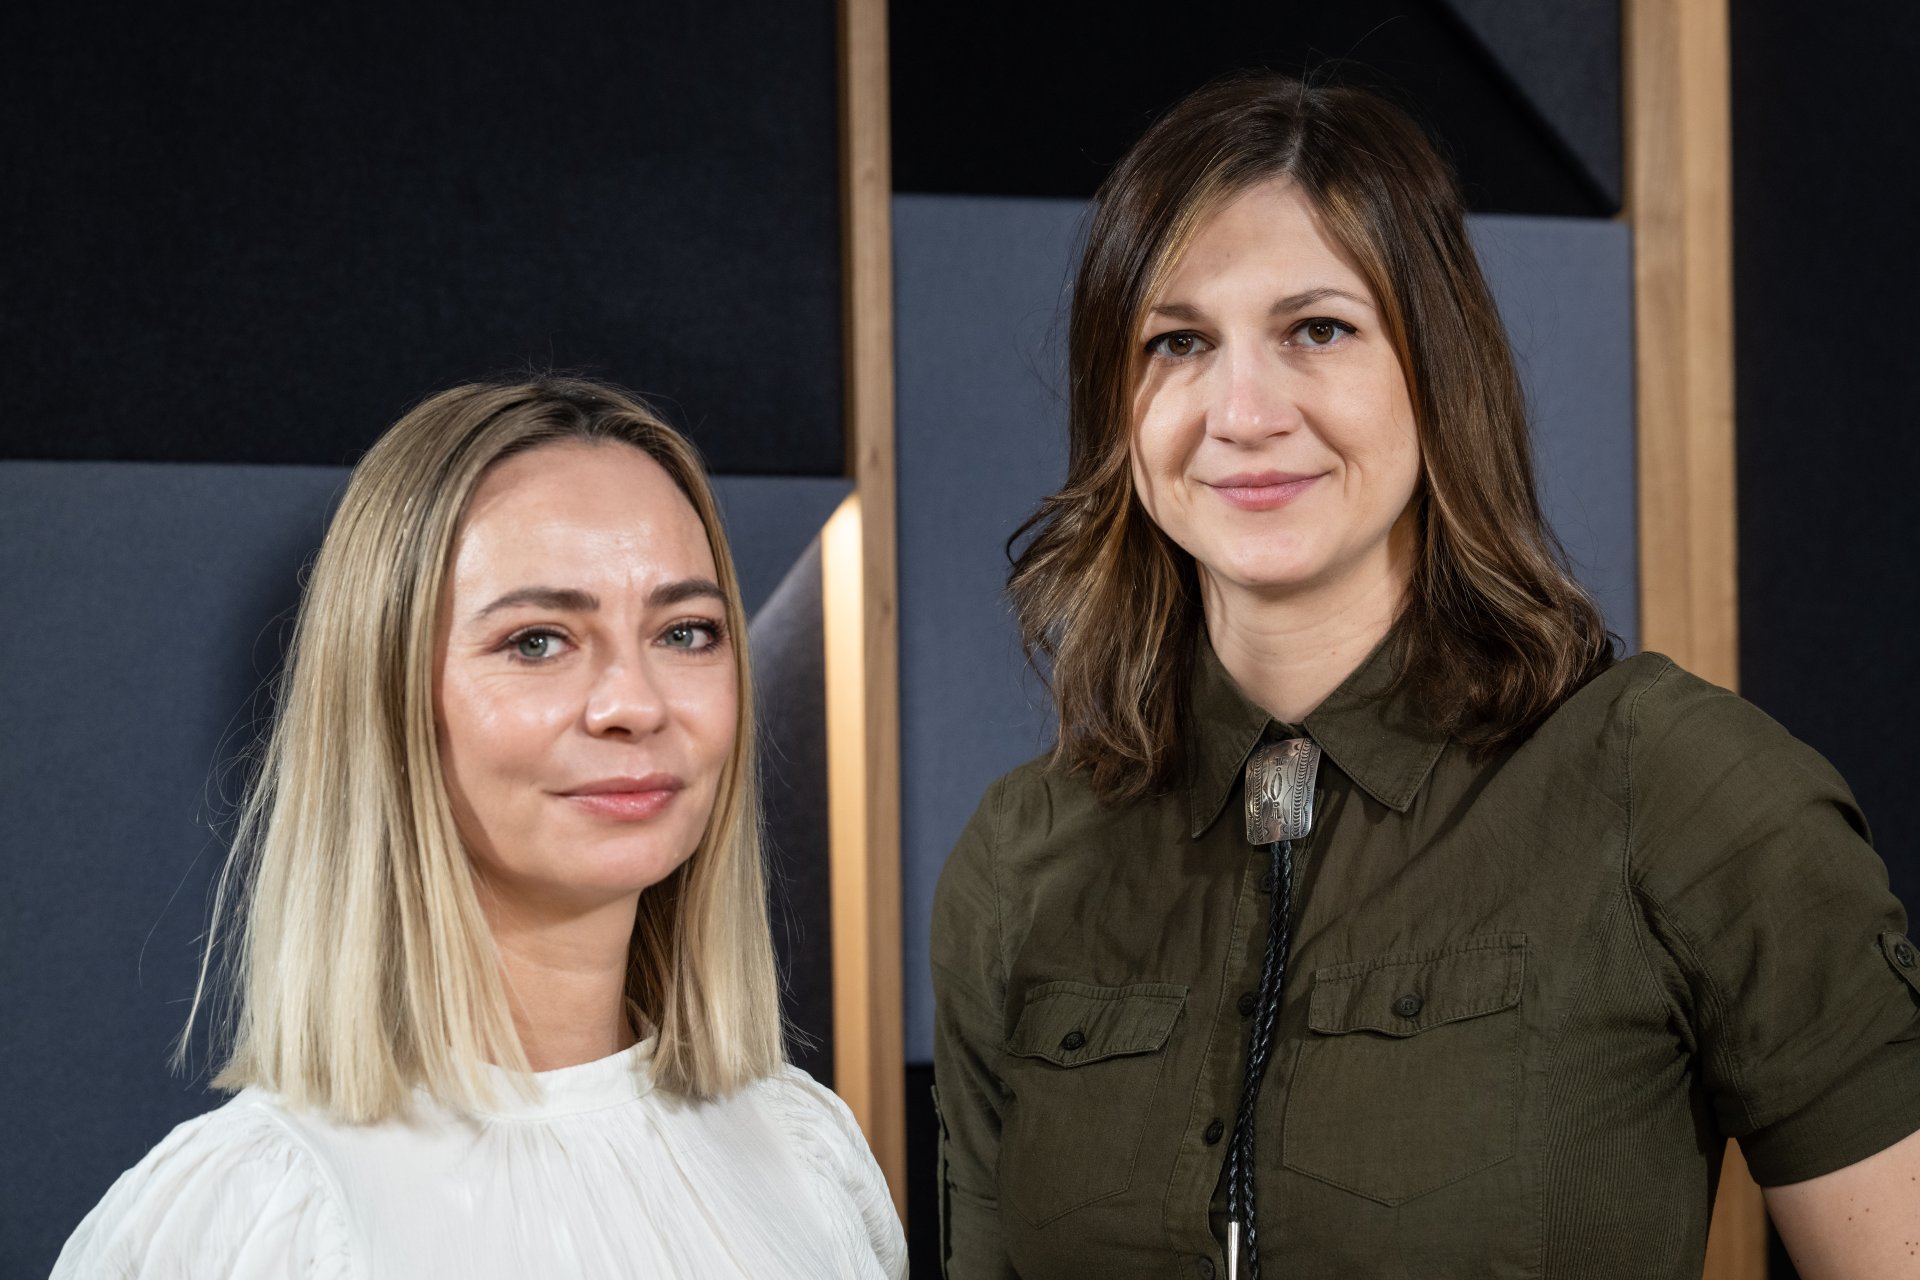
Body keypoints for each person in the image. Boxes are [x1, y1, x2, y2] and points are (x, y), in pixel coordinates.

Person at [930, 73, 1920, 1280]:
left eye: (1317, 328)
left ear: (1437, 366)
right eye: (1177, 342)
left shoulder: (1679, 790)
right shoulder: (1016, 865)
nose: (1242, 411)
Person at [55, 379, 907, 1278]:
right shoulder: (257, 1213)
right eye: (538, 641)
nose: (634, 703)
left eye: (686, 632)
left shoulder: (805, 1149)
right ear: (388, 700)